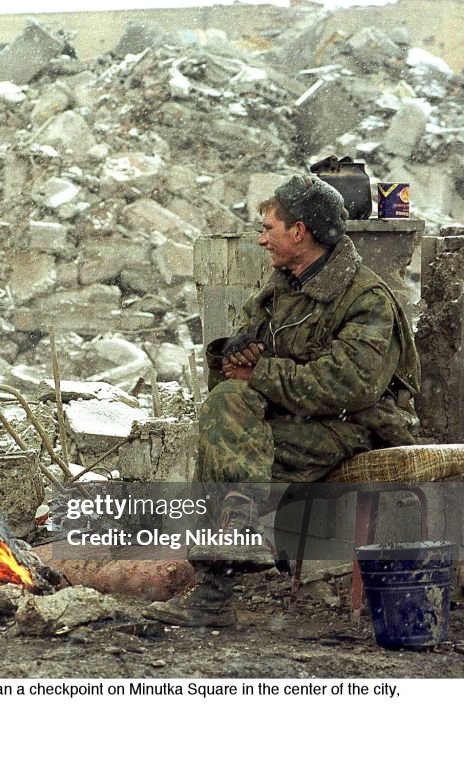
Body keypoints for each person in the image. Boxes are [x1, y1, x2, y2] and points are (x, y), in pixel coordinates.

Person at [144, 174, 420, 627]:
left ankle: (215, 593)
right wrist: (231, 356)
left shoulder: (365, 299)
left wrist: (261, 372)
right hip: (292, 417)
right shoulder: (279, 288)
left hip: (352, 426)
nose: (261, 239)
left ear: (300, 232)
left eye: (269, 228)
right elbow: (240, 370)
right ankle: (235, 548)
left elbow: (350, 385)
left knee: (232, 449)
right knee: (226, 411)